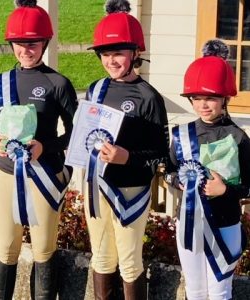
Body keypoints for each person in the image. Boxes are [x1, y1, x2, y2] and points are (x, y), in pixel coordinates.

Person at [0, 0, 77, 299]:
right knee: (6, 246)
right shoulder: (0, 83)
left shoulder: (58, 83)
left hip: (44, 176)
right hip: (7, 175)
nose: (26, 50)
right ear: (12, 45)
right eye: (19, 44)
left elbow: (76, 135)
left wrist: (45, 146)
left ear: (45, 42)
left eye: (33, 43)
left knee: (43, 247)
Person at [83, 0, 169, 298]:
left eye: (117, 53)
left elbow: (161, 154)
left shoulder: (149, 97)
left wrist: (126, 157)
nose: (110, 61)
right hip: (96, 185)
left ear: (135, 53)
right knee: (102, 256)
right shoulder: (95, 89)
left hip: (130, 191)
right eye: (104, 54)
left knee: (129, 262)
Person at [165, 39, 250, 300]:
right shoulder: (181, 135)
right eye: (196, 98)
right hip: (189, 223)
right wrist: (177, 181)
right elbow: (168, 170)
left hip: (225, 224)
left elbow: (248, 185)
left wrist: (225, 189)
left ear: (224, 98)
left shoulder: (238, 138)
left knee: (219, 291)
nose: (203, 104)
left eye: (211, 98)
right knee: (195, 290)